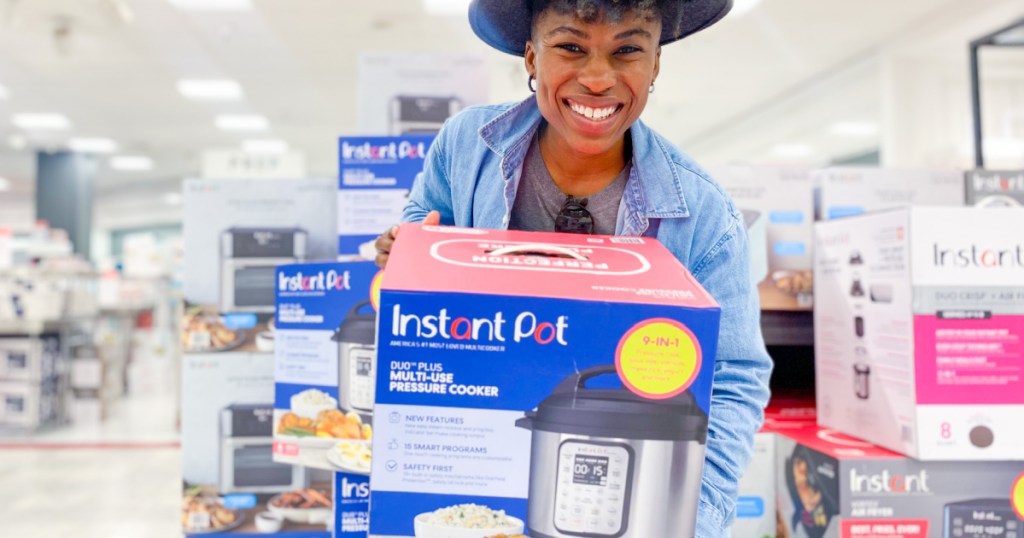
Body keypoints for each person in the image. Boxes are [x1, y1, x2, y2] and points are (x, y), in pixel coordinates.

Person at [374, 1, 772, 536]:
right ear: (532, 58)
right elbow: (424, 223)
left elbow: (732, 379)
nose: (598, 78)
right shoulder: (466, 147)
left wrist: (687, 517)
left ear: (655, 65)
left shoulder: (704, 216)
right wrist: (407, 252)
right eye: (571, 47)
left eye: (627, 50)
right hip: (472, 462)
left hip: (620, 482)